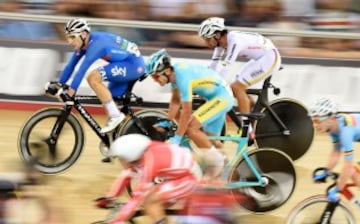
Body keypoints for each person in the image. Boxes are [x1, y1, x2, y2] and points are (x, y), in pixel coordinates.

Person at [145, 49, 234, 181]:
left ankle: (216, 165)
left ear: (167, 71)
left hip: (222, 98)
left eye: (156, 76)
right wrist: (168, 121)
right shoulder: (175, 76)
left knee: (191, 128)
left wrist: (177, 138)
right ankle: (227, 169)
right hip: (217, 97)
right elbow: (175, 102)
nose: (154, 80)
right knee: (210, 139)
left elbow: (186, 112)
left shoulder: (181, 77)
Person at [58, 18, 146, 133]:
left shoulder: (96, 45)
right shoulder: (84, 44)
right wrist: (60, 85)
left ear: (84, 35)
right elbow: (70, 66)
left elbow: (82, 69)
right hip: (125, 63)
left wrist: (71, 91)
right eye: (68, 38)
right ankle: (122, 133)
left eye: (72, 37)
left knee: (93, 77)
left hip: (133, 65)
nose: (70, 42)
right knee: (111, 103)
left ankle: (116, 116)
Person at [198, 17, 282, 133]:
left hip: (270, 58)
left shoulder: (234, 41)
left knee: (237, 87)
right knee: (234, 87)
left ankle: (247, 129)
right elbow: (213, 66)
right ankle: (253, 111)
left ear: (217, 35)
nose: (206, 42)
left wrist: (214, 86)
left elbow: (225, 67)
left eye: (207, 39)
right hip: (260, 58)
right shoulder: (220, 45)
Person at [94, 134, 199, 224]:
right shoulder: (142, 154)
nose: (120, 162)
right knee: (152, 204)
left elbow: (136, 199)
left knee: (150, 201)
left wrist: (118, 221)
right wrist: (110, 197)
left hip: (189, 177)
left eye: (121, 159)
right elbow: (126, 175)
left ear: (130, 157)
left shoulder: (150, 165)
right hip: (179, 172)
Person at [310, 97, 360, 202]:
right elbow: (336, 152)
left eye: (318, 120)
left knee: (353, 172)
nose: (316, 125)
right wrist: (326, 171)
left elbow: (348, 166)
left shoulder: (345, 131)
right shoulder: (333, 129)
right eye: (313, 120)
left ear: (331, 117)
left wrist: (338, 189)